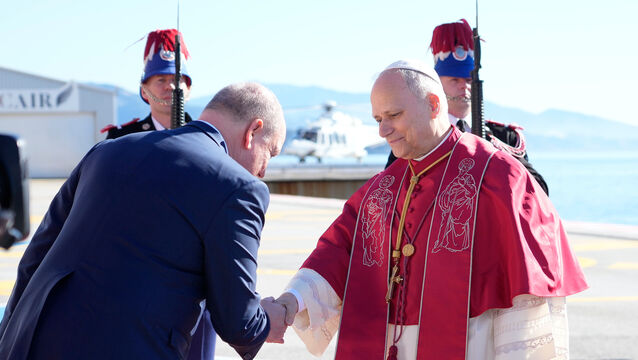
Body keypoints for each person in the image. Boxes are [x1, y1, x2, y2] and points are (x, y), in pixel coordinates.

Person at [272, 60, 587, 359]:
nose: (383, 131)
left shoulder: (498, 178)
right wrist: (290, 302)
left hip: (471, 344)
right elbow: (337, 251)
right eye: (378, 119)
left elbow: (527, 299)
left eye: (393, 115)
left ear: (435, 105)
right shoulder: (380, 188)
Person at [0, 82, 288, 360]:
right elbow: (238, 322)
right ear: (253, 131)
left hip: (28, 342)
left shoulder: (107, 151)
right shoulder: (238, 188)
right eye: (270, 153)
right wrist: (269, 320)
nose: (263, 171)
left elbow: (34, 259)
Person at [385, 19, 549, 195]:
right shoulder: (415, 139)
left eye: (469, 80)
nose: (464, 86)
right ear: (436, 85)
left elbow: (538, 190)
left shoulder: (504, 138)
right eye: (455, 80)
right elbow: (391, 192)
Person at [101, 29, 194, 139]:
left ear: (188, 90)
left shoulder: (206, 136)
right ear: (144, 91)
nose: (170, 86)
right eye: (161, 80)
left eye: (177, 80)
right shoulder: (122, 138)